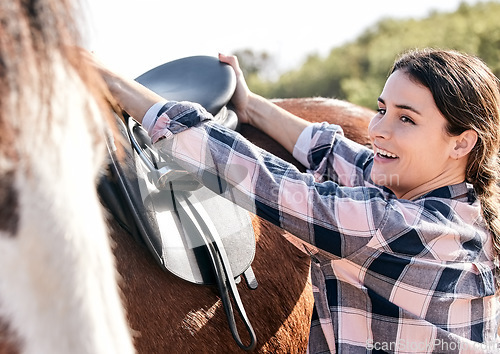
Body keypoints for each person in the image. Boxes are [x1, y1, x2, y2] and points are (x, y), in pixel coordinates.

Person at [91, 48, 500, 352]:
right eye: (381, 110)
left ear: (462, 142)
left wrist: (114, 83)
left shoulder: (396, 228)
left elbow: (267, 183)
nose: (378, 130)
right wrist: (252, 108)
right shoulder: (462, 210)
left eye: (406, 118)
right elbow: (336, 153)